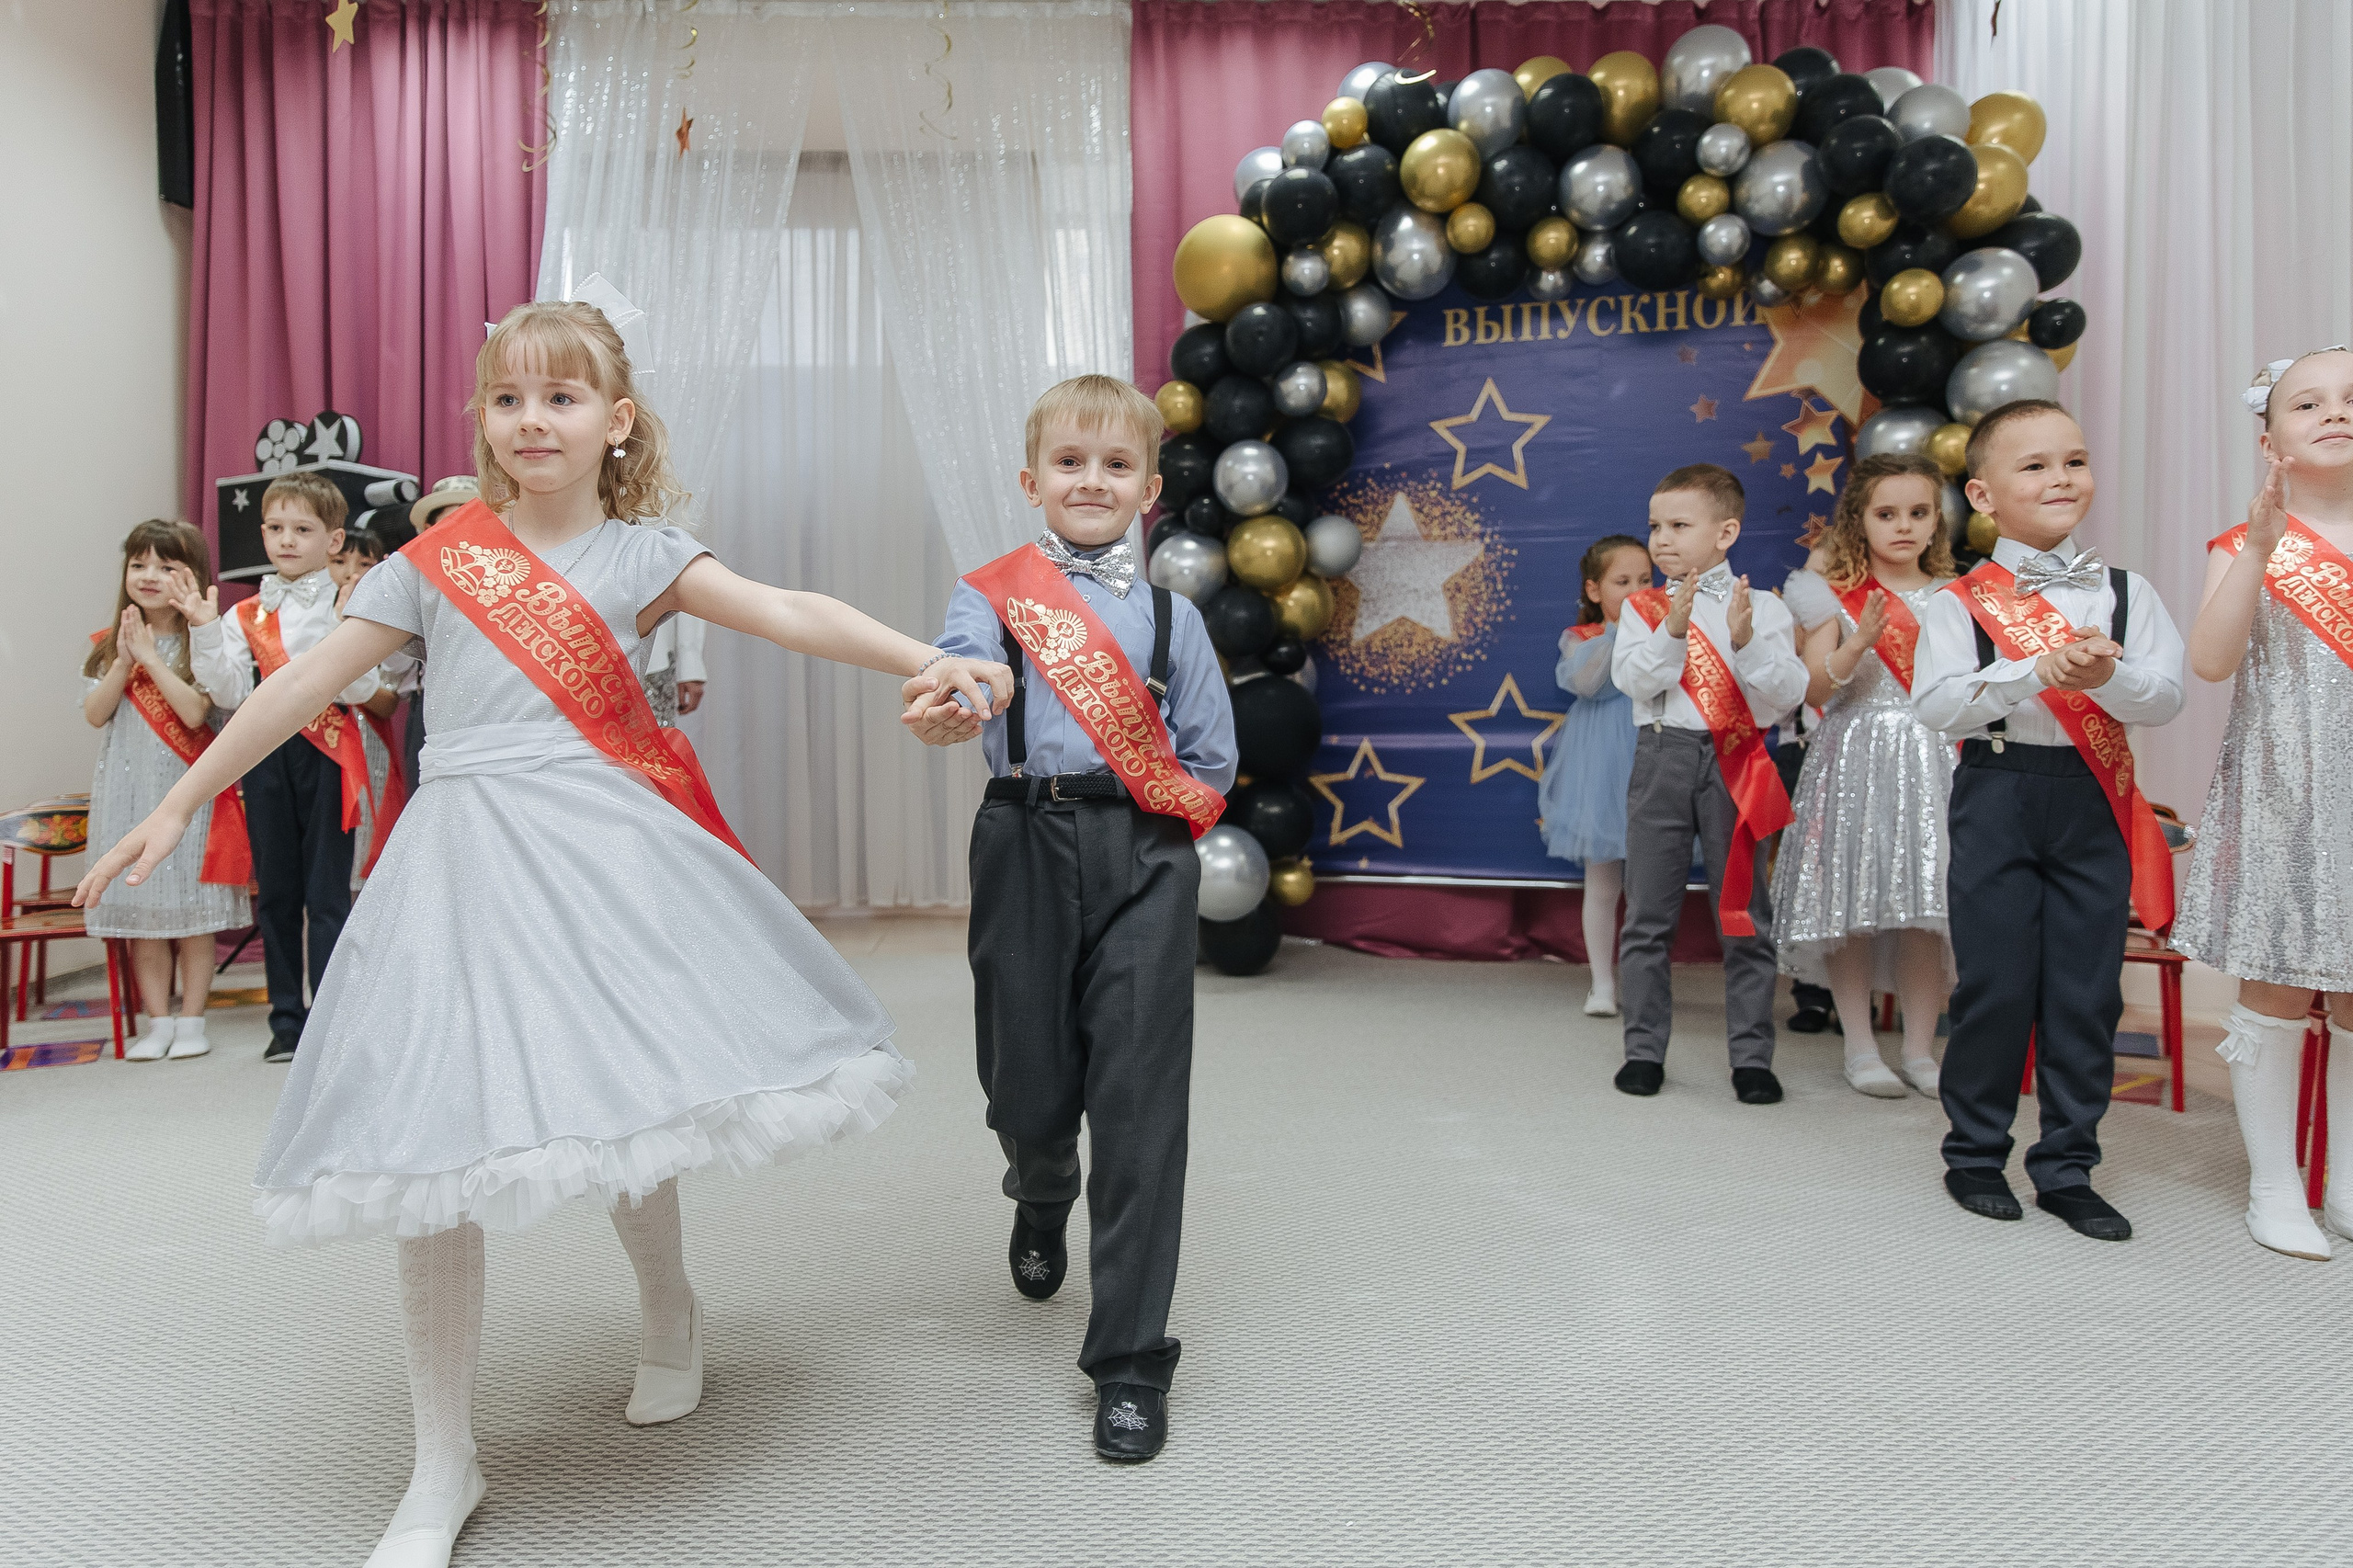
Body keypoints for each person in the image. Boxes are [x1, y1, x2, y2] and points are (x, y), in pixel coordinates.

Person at [76, 297, 1010, 1568]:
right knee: (428, 1137)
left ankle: (670, 1304)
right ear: (485, 418)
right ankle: (441, 1455)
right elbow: (302, 683)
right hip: (458, 858)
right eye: (509, 398)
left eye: (563, 397)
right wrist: (180, 801)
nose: (533, 420)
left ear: (614, 421)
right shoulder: (433, 559)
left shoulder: (642, 555)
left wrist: (936, 656)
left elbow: (789, 609)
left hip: (604, 854)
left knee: (623, 1096)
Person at [903, 373, 1235, 1464]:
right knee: (1027, 1085)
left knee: (1139, 1104)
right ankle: (1040, 1188)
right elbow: (966, 679)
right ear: (1030, 479)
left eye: (1116, 465)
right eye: (1070, 462)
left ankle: (1131, 1354)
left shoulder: (1175, 615)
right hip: (1022, 844)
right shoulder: (990, 593)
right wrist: (959, 704)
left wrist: (1159, 819)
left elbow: (1211, 756)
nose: (1091, 481)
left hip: (1143, 853)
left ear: (1148, 487)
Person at [1914, 400, 2185, 1242]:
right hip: (1998, 793)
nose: (2060, 478)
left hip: (2092, 799)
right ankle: (1974, 1155)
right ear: (1985, 495)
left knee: (2085, 991)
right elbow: (1938, 707)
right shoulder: (1958, 602)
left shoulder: (2130, 593)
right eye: (2033, 466)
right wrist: (2037, 667)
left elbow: (2166, 697)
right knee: (1995, 984)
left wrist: (2105, 679)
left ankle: (2068, 1166)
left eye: (2073, 460)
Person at [2176, 348, 2353, 1259]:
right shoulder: (2243, 544)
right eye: (2308, 401)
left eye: (2351, 398)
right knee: (2277, 982)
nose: (2334, 411)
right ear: (2268, 437)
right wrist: (2255, 547)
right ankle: (2274, 1182)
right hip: (2284, 788)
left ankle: (2346, 1176)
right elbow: (2208, 660)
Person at [1609, 464, 1809, 1103]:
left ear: (1726, 532)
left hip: (1737, 761)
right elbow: (1636, 683)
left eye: (1678, 525)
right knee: (1647, 914)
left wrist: (1747, 643)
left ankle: (1752, 1057)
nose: (1661, 539)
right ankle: (1643, 1049)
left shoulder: (1767, 607)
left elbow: (1785, 699)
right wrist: (1673, 628)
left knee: (1745, 915)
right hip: (1662, 758)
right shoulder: (1642, 608)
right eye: (1654, 527)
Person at [180, 471, 394, 1062]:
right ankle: (285, 1023)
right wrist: (203, 629)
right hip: (265, 755)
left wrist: (348, 622)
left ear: (333, 540)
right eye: (275, 528)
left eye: (302, 529)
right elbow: (225, 691)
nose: (286, 541)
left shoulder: (348, 604)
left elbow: (360, 692)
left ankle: (329, 1022)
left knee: (328, 893)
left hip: (327, 756)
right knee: (276, 894)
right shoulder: (243, 614)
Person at [1774, 454, 1959, 1099]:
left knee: (1924, 909)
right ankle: (1859, 1047)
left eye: (1918, 513)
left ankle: (1918, 1048)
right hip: (1853, 752)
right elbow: (1816, 685)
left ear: (1937, 521)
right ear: (1861, 521)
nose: (1904, 526)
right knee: (1850, 904)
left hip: (1933, 757)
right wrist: (1858, 642)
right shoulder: (1833, 598)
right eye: (1887, 514)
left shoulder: (1954, 596)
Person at [79, 520, 251, 1061]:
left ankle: (193, 1019)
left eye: (166, 566)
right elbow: (95, 713)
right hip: (127, 798)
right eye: (139, 565)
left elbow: (198, 712)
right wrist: (126, 660)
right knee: (145, 918)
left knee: (191, 917)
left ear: (192, 575)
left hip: (186, 799)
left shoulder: (205, 637)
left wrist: (153, 660)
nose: (150, 576)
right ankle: (157, 1021)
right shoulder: (109, 644)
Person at [1537, 534, 1650, 1017]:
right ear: (1595, 590)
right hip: (1602, 760)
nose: (1636, 589)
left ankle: (1647, 981)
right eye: (1622, 581)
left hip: (1653, 751)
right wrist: (1619, 631)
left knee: (1650, 883)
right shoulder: (1581, 638)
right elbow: (1589, 684)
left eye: (1645, 580)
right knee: (1603, 881)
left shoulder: (1669, 630)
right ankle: (1602, 984)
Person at [643, 613, 707, 728]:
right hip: (605, 657)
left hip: (654, 661)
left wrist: (689, 659)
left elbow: (687, 595)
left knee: (654, 740)